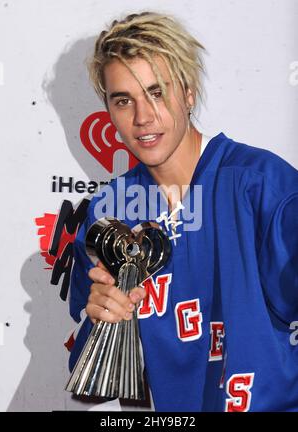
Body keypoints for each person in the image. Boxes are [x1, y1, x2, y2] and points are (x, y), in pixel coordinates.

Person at [67, 11, 298, 412]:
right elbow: (92, 389)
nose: (142, 118)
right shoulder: (109, 213)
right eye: (124, 100)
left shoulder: (261, 184)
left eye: (157, 93)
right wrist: (106, 320)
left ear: (189, 93)